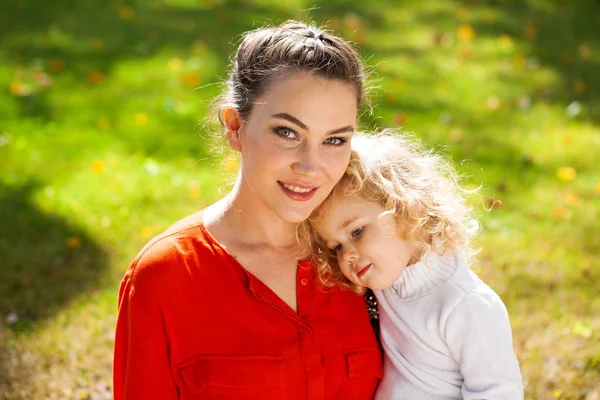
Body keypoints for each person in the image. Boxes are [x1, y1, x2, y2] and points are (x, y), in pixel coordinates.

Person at [113, 21, 382, 400]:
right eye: (287, 133)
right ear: (235, 126)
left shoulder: (366, 258)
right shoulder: (164, 277)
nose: (310, 167)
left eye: (334, 140)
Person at [306, 131, 524, 399]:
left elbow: (498, 392)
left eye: (356, 231)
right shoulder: (386, 285)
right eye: (336, 247)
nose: (347, 255)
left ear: (404, 207)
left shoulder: (465, 304)